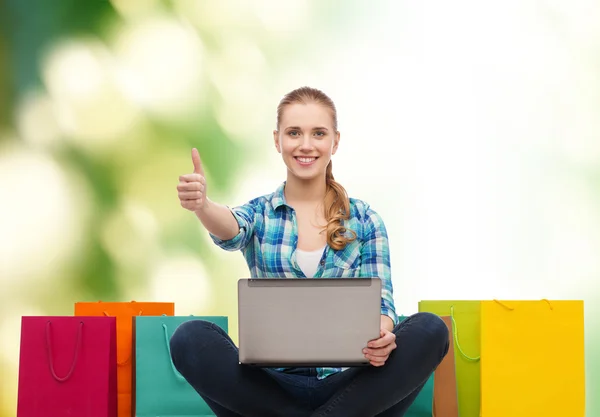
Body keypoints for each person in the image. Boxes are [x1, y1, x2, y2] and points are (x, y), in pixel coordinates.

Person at [171, 86, 449, 417]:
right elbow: (231, 228)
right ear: (277, 141)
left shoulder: (365, 220)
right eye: (294, 133)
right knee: (189, 338)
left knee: (431, 330)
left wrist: (382, 333)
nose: (306, 145)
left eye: (318, 133)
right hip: (268, 388)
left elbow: (384, 303)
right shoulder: (261, 213)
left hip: (352, 386)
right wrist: (202, 205)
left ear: (335, 141)